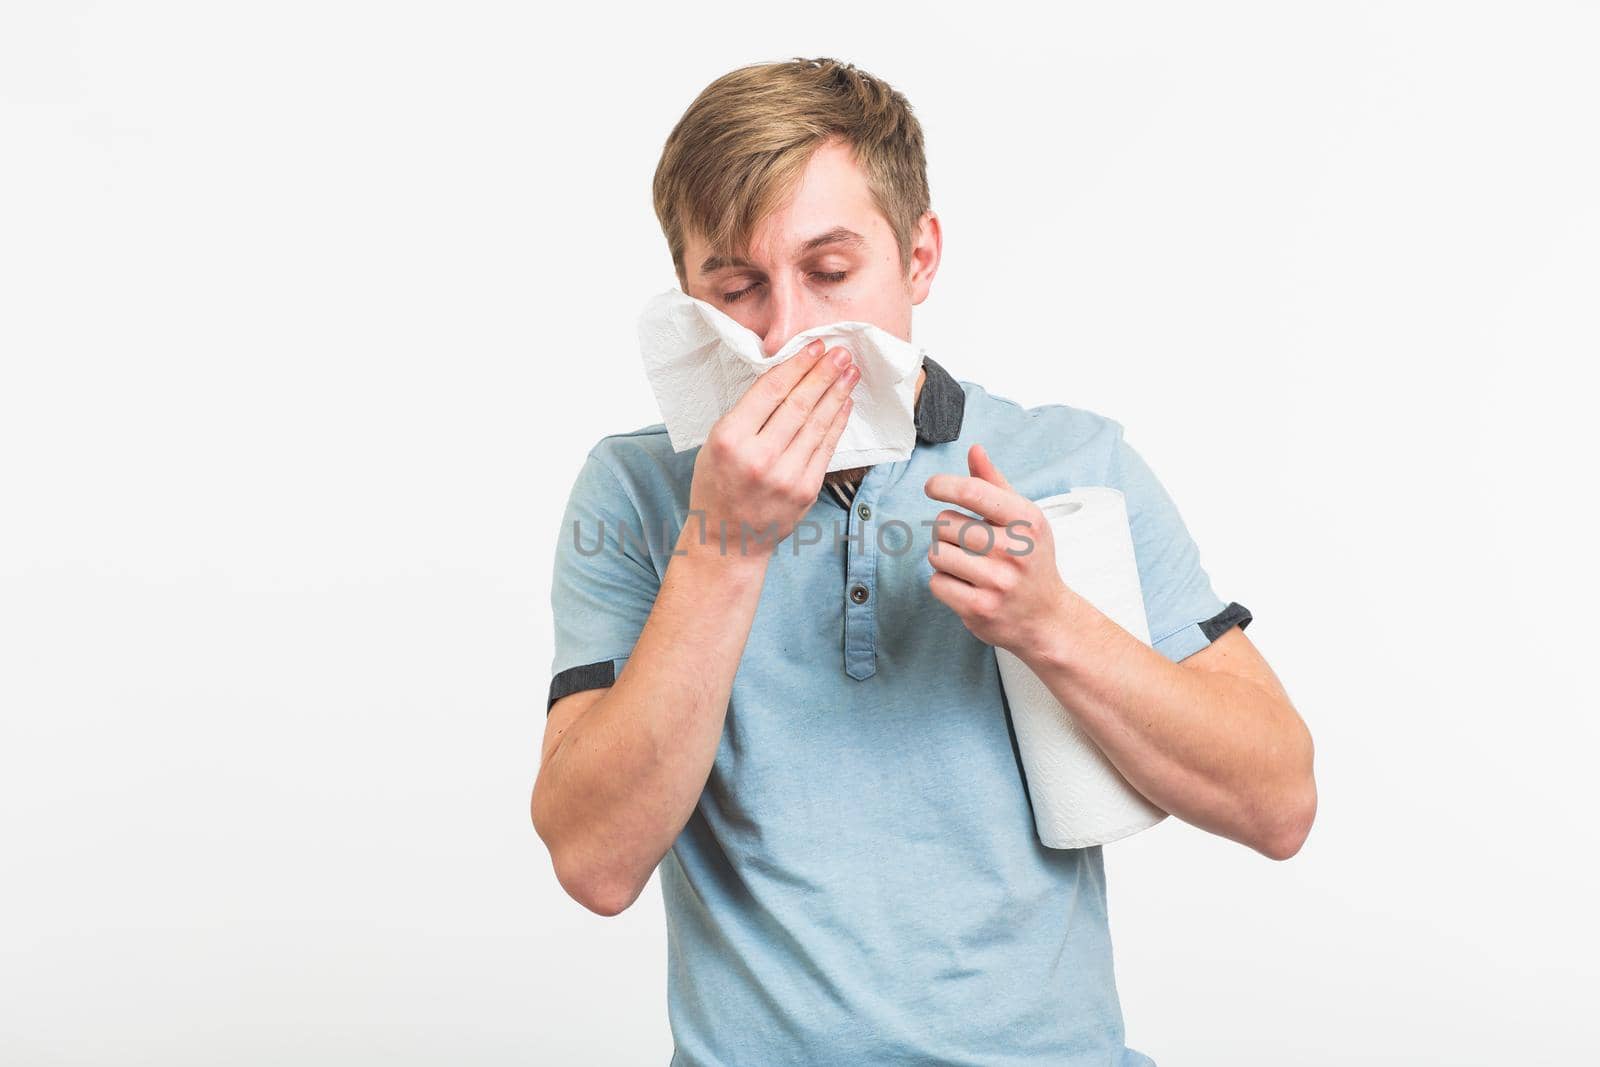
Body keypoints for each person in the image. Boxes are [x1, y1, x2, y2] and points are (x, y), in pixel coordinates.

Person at [532, 56, 1316, 1067]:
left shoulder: (1073, 460)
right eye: (735, 288)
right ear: (687, 298)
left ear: (919, 256)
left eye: (829, 273)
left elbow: (1277, 802)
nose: (786, 335)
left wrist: (1053, 625)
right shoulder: (636, 492)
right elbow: (593, 862)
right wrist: (724, 543)